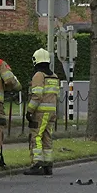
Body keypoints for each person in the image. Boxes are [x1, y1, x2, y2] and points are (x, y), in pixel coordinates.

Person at [24, 48, 60, 176]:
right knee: (47, 137)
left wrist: (29, 111)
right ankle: (47, 165)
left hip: (40, 112)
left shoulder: (39, 75)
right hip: (52, 111)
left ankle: (37, 164)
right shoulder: (54, 76)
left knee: (36, 136)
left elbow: (37, 95)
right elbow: (57, 95)